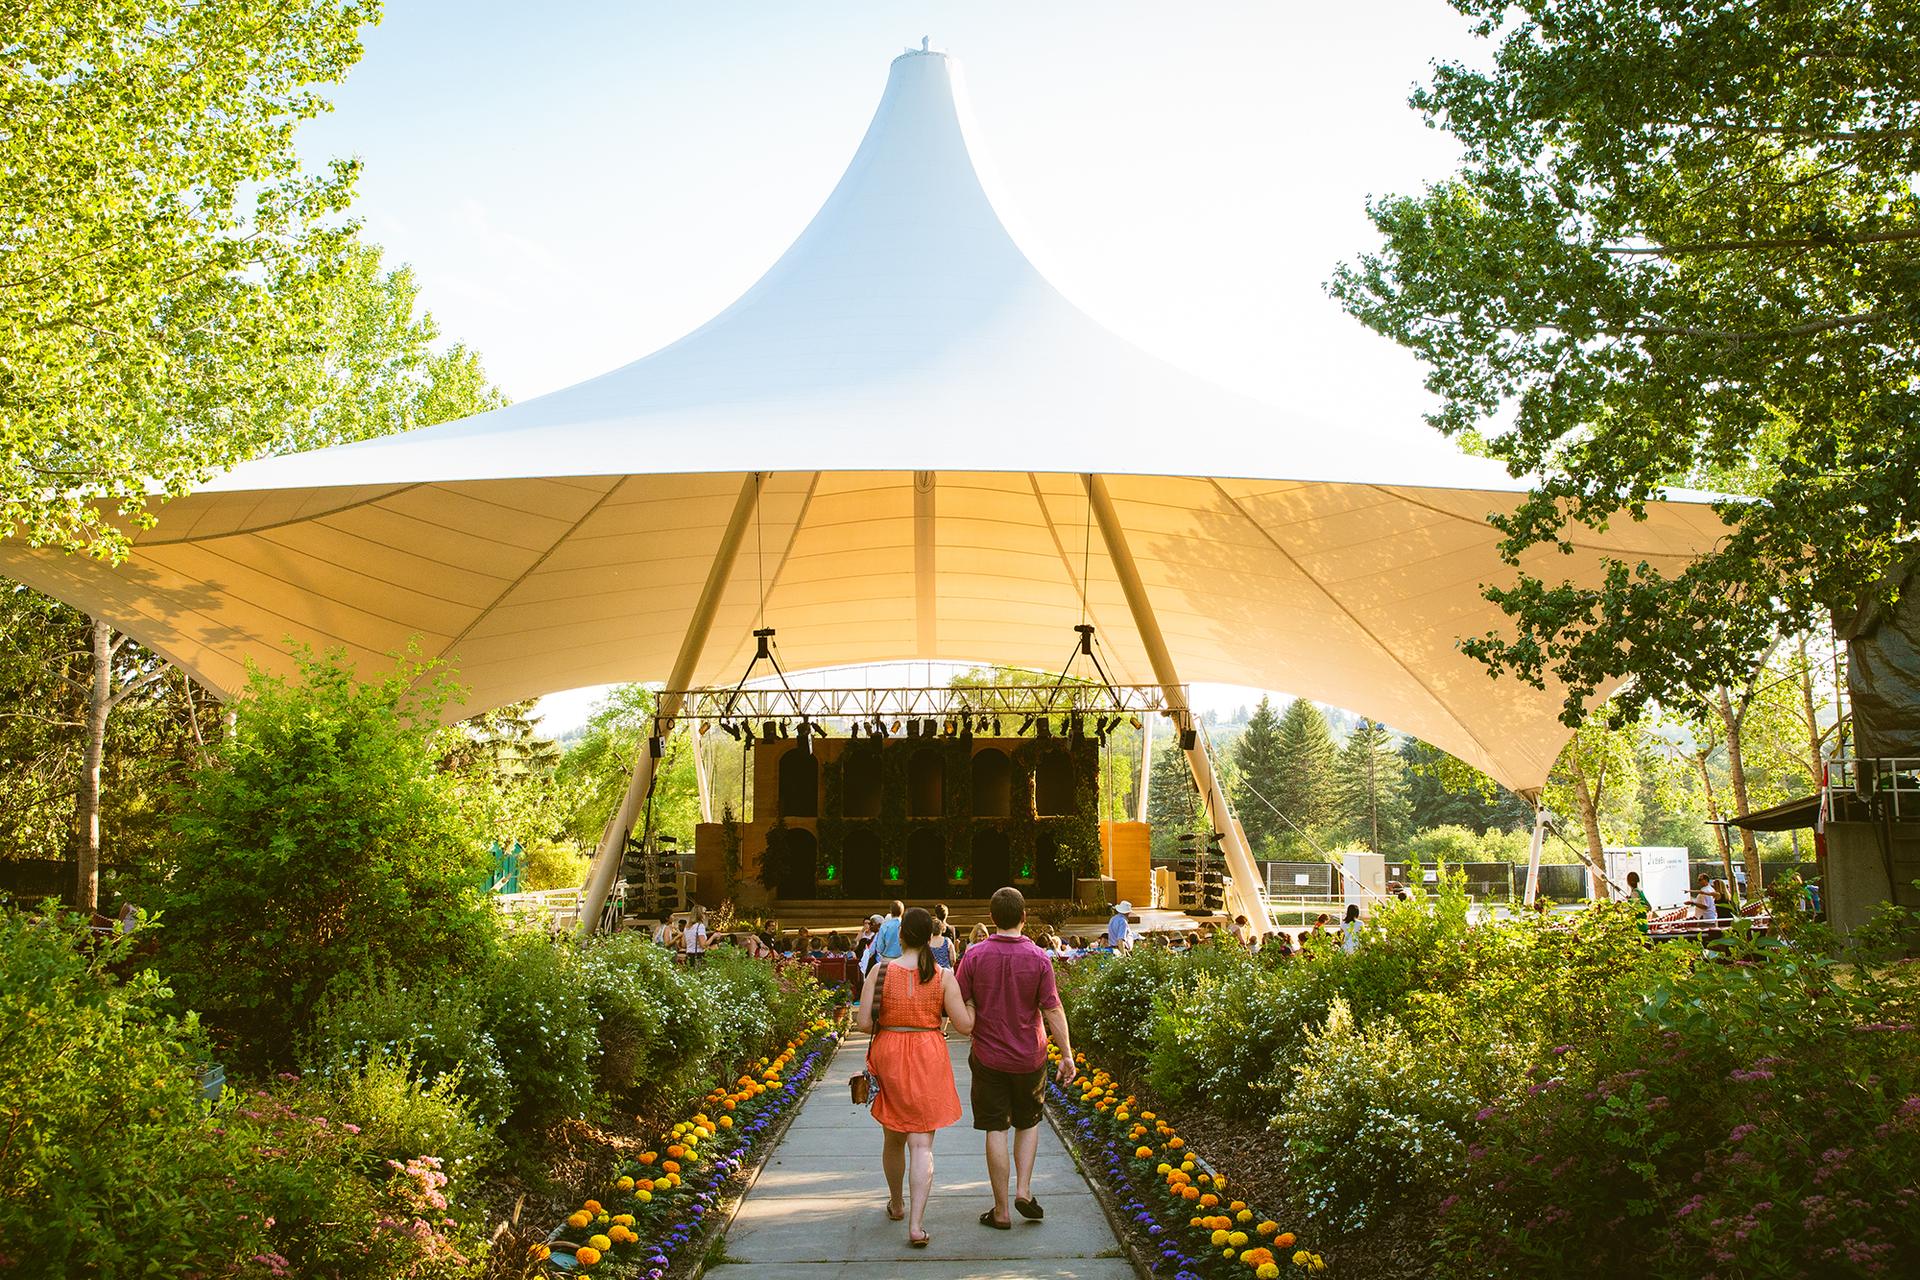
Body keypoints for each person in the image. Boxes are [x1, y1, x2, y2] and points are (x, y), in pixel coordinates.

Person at [956, 886, 1076, 1232]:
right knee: (1028, 1122)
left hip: (988, 1056)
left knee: (996, 1127)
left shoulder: (975, 956)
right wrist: (1066, 1055)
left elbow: (961, 1002)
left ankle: (1001, 1210)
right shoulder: (1039, 958)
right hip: (1030, 1057)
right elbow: (1052, 1008)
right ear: (1024, 917)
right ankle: (1023, 1189)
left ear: (992, 918)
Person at [857, 907, 975, 1248]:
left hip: (889, 1051)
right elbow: (966, 1026)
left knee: (893, 1137)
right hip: (928, 1053)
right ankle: (917, 1225)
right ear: (929, 938)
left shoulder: (880, 971)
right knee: (922, 1143)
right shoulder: (943, 975)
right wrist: (973, 1005)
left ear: (902, 935)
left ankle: (896, 1203)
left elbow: (865, 1023)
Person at [864, 901, 905, 974]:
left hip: (887, 960)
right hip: (902, 960)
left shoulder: (885, 926)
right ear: (902, 911)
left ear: (891, 912)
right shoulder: (905, 925)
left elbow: (879, 947)